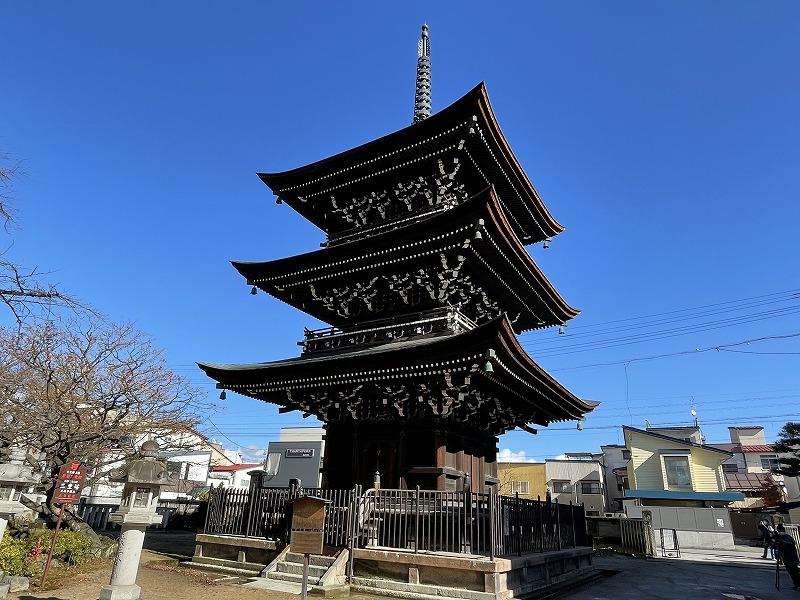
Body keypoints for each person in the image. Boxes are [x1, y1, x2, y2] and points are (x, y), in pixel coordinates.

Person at [775, 524, 800, 591]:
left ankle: (798, 584)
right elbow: (777, 547)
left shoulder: (788, 537)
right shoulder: (780, 538)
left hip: (792, 559)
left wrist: (783, 542)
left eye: (781, 530)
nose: (780, 532)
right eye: (779, 531)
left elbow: (791, 544)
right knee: (791, 573)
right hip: (786, 559)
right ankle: (796, 585)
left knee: (795, 573)